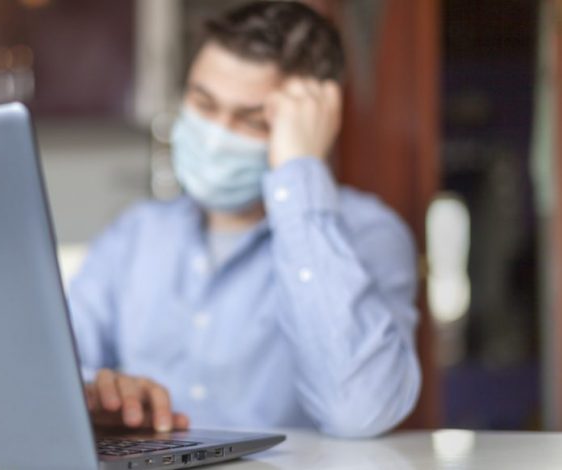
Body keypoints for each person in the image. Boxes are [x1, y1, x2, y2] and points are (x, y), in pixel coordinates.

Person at [68, 0, 421, 438]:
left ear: (314, 122)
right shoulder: (136, 233)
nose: (216, 135)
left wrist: (298, 171)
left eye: (252, 121)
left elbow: (360, 410)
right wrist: (94, 391)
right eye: (203, 103)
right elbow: (42, 363)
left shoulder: (369, 234)